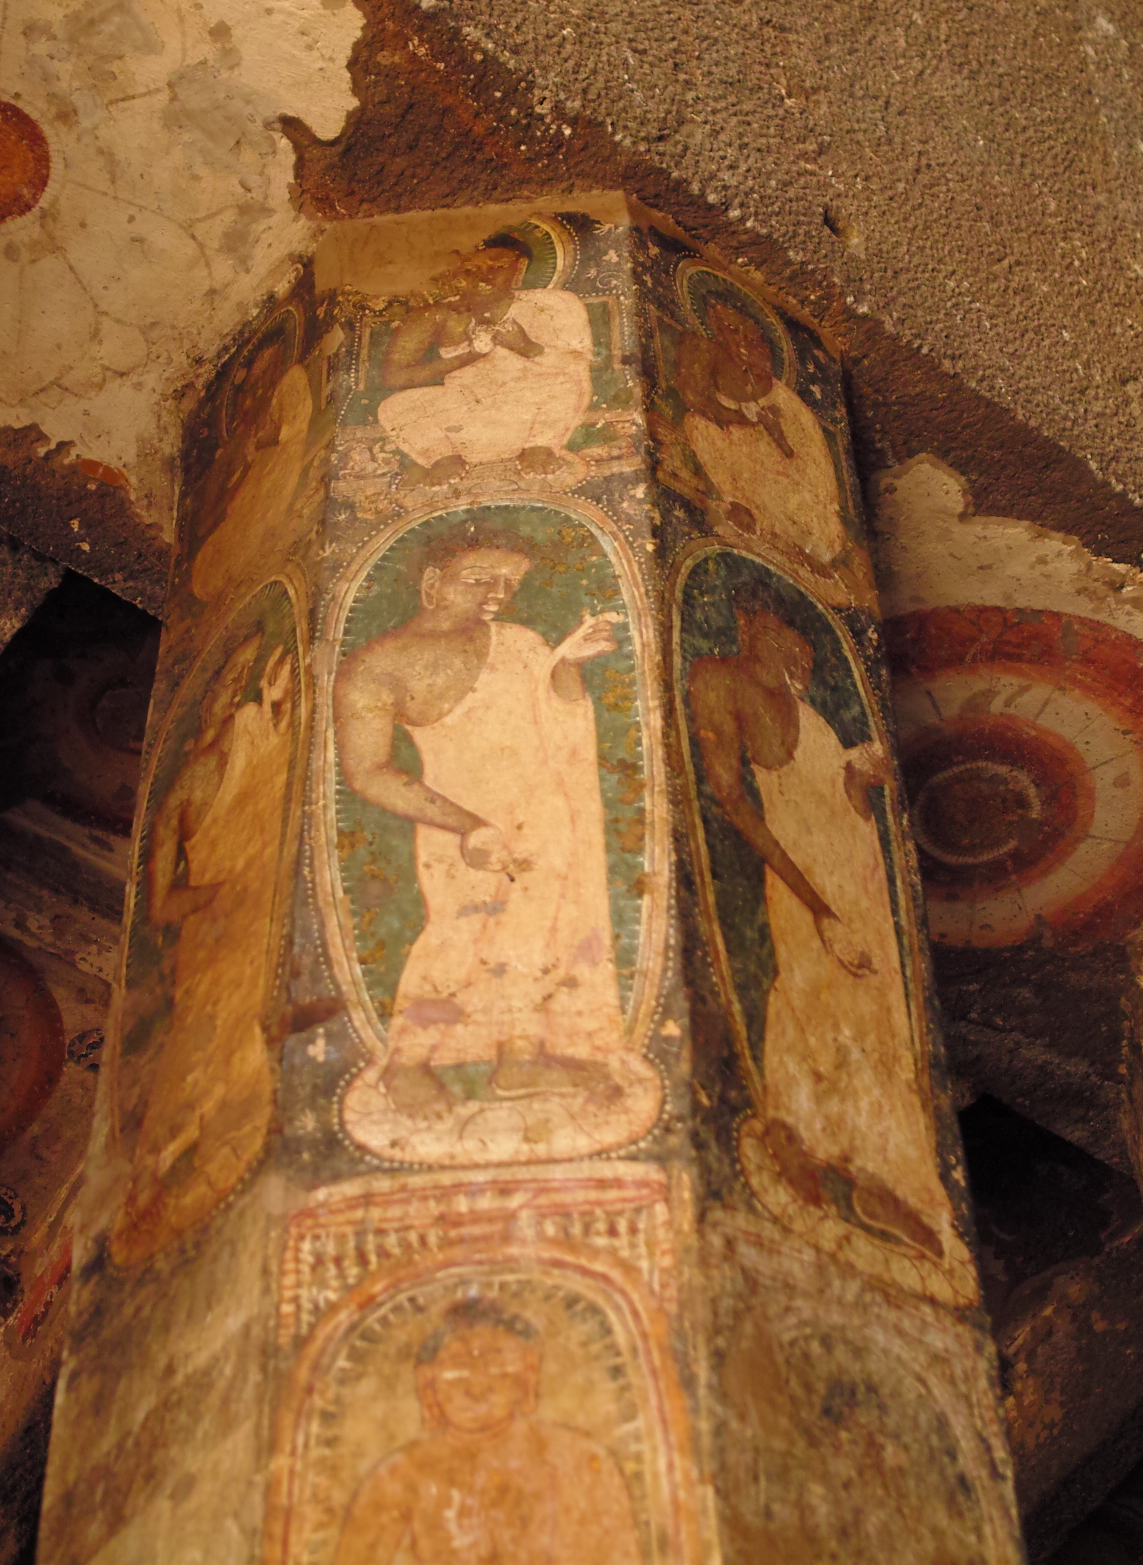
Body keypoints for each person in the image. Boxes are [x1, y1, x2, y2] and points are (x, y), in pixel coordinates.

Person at [686, 604, 949, 1255]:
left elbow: (842, 806)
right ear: (751, 626)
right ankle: (808, 1143)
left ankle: (874, 1176)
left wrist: (859, 778)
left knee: (872, 1017)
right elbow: (731, 798)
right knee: (814, 1004)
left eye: (803, 651)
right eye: (788, 643)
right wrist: (821, 909)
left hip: (859, 878)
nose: (800, 659)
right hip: (810, 881)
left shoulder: (804, 709)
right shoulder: (718, 678)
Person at [335, 531, 625, 1117]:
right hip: (458, 821)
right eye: (479, 579)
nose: (497, 593)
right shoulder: (374, 665)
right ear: (432, 583)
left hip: (543, 810)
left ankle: (519, 1057)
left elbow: (560, 715)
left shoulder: (519, 642)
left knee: (535, 932)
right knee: (458, 935)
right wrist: (469, 826)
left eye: (509, 583)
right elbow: (368, 772)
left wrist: (566, 665)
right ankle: (406, 1064)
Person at [112, 632, 298, 1261]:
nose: (241, 695)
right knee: (200, 1056)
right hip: (218, 943)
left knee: (244, 1058)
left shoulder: (270, 735)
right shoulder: (189, 789)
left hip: (261, 925)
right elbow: (161, 906)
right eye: (236, 683)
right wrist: (227, 887)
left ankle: (202, 1174)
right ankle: (152, 1188)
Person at [333, 1298, 641, 1565]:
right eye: (458, 1366)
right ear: (428, 1382)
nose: (477, 1387)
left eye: (496, 1363)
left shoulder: (578, 1461)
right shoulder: (398, 1477)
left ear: (528, 1372)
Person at [374, 245, 595, 481]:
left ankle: (541, 446)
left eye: (498, 267)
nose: (483, 278)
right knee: (395, 406)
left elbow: (578, 367)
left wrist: (526, 347)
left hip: (531, 413)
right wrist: (472, 354)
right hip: (468, 417)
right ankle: (443, 456)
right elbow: (394, 377)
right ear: (454, 275)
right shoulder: (441, 313)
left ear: (519, 269)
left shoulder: (553, 303)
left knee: (564, 384)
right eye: (470, 269)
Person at [673, 302, 854, 583]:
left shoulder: (785, 403)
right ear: (717, 332)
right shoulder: (702, 412)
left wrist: (779, 439)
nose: (742, 342)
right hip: (749, 508)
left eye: (751, 336)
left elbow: (819, 475)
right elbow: (720, 469)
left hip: (799, 500)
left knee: (820, 533)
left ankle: (802, 548)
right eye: (731, 330)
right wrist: (736, 503)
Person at [188, 325, 317, 607]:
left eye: (264, 373)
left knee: (257, 518)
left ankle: (234, 578)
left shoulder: (293, 378)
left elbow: (291, 426)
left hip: (283, 460)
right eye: (253, 382)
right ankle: (218, 582)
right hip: (263, 468)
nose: (258, 385)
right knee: (236, 518)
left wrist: (258, 440)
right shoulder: (260, 405)